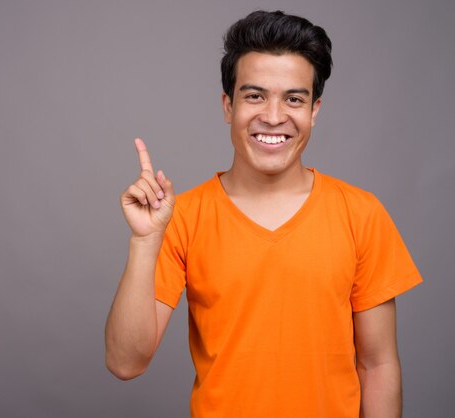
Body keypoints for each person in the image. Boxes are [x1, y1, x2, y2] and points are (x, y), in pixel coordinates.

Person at [104, 10, 423, 418]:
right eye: (254, 95)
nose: (273, 116)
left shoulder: (361, 214)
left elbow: (377, 365)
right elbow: (125, 362)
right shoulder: (182, 217)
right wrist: (145, 241)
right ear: (227, 105)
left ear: (315, 110)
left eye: (294, 98)